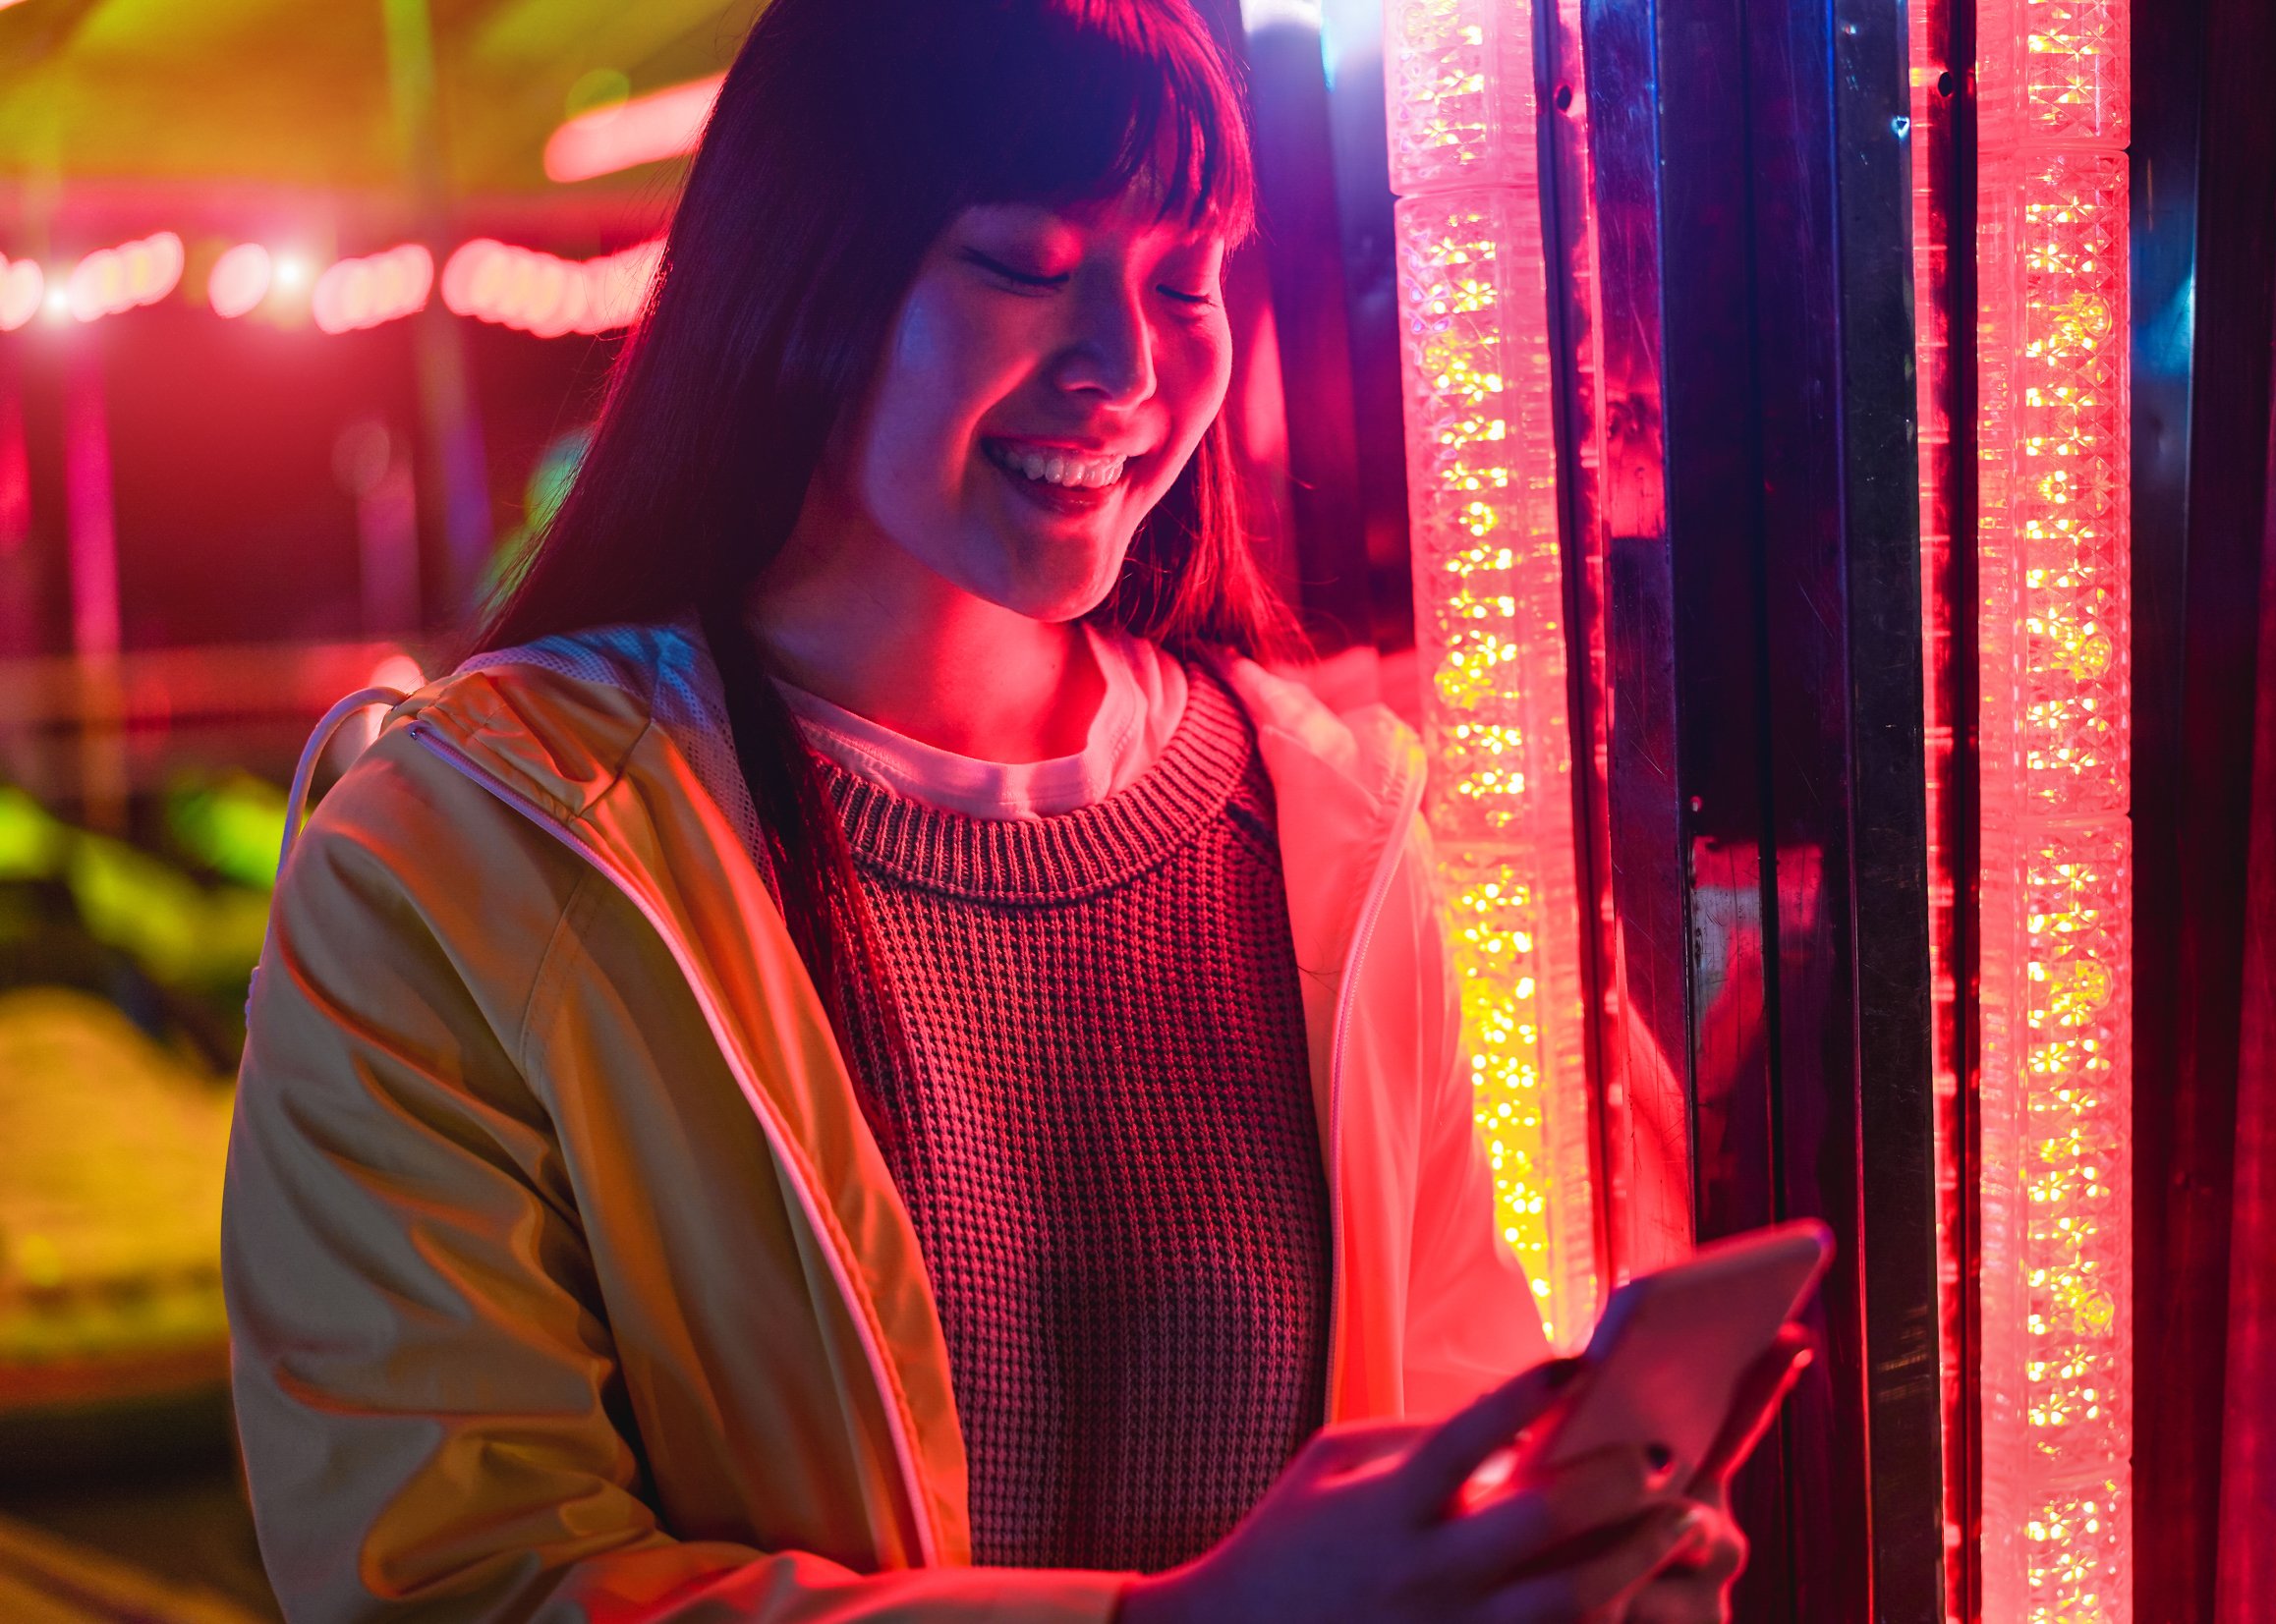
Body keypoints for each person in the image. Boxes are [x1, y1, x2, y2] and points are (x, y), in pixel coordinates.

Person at [222, 2, 1801, 1620]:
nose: (1127, 367)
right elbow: (457, 1584)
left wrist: (1546, 1565)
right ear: (803, 276)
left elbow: (1445, 1425)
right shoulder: (461, 854)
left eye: (1185, 281)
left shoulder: (1325, 821)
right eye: (1024, 266)